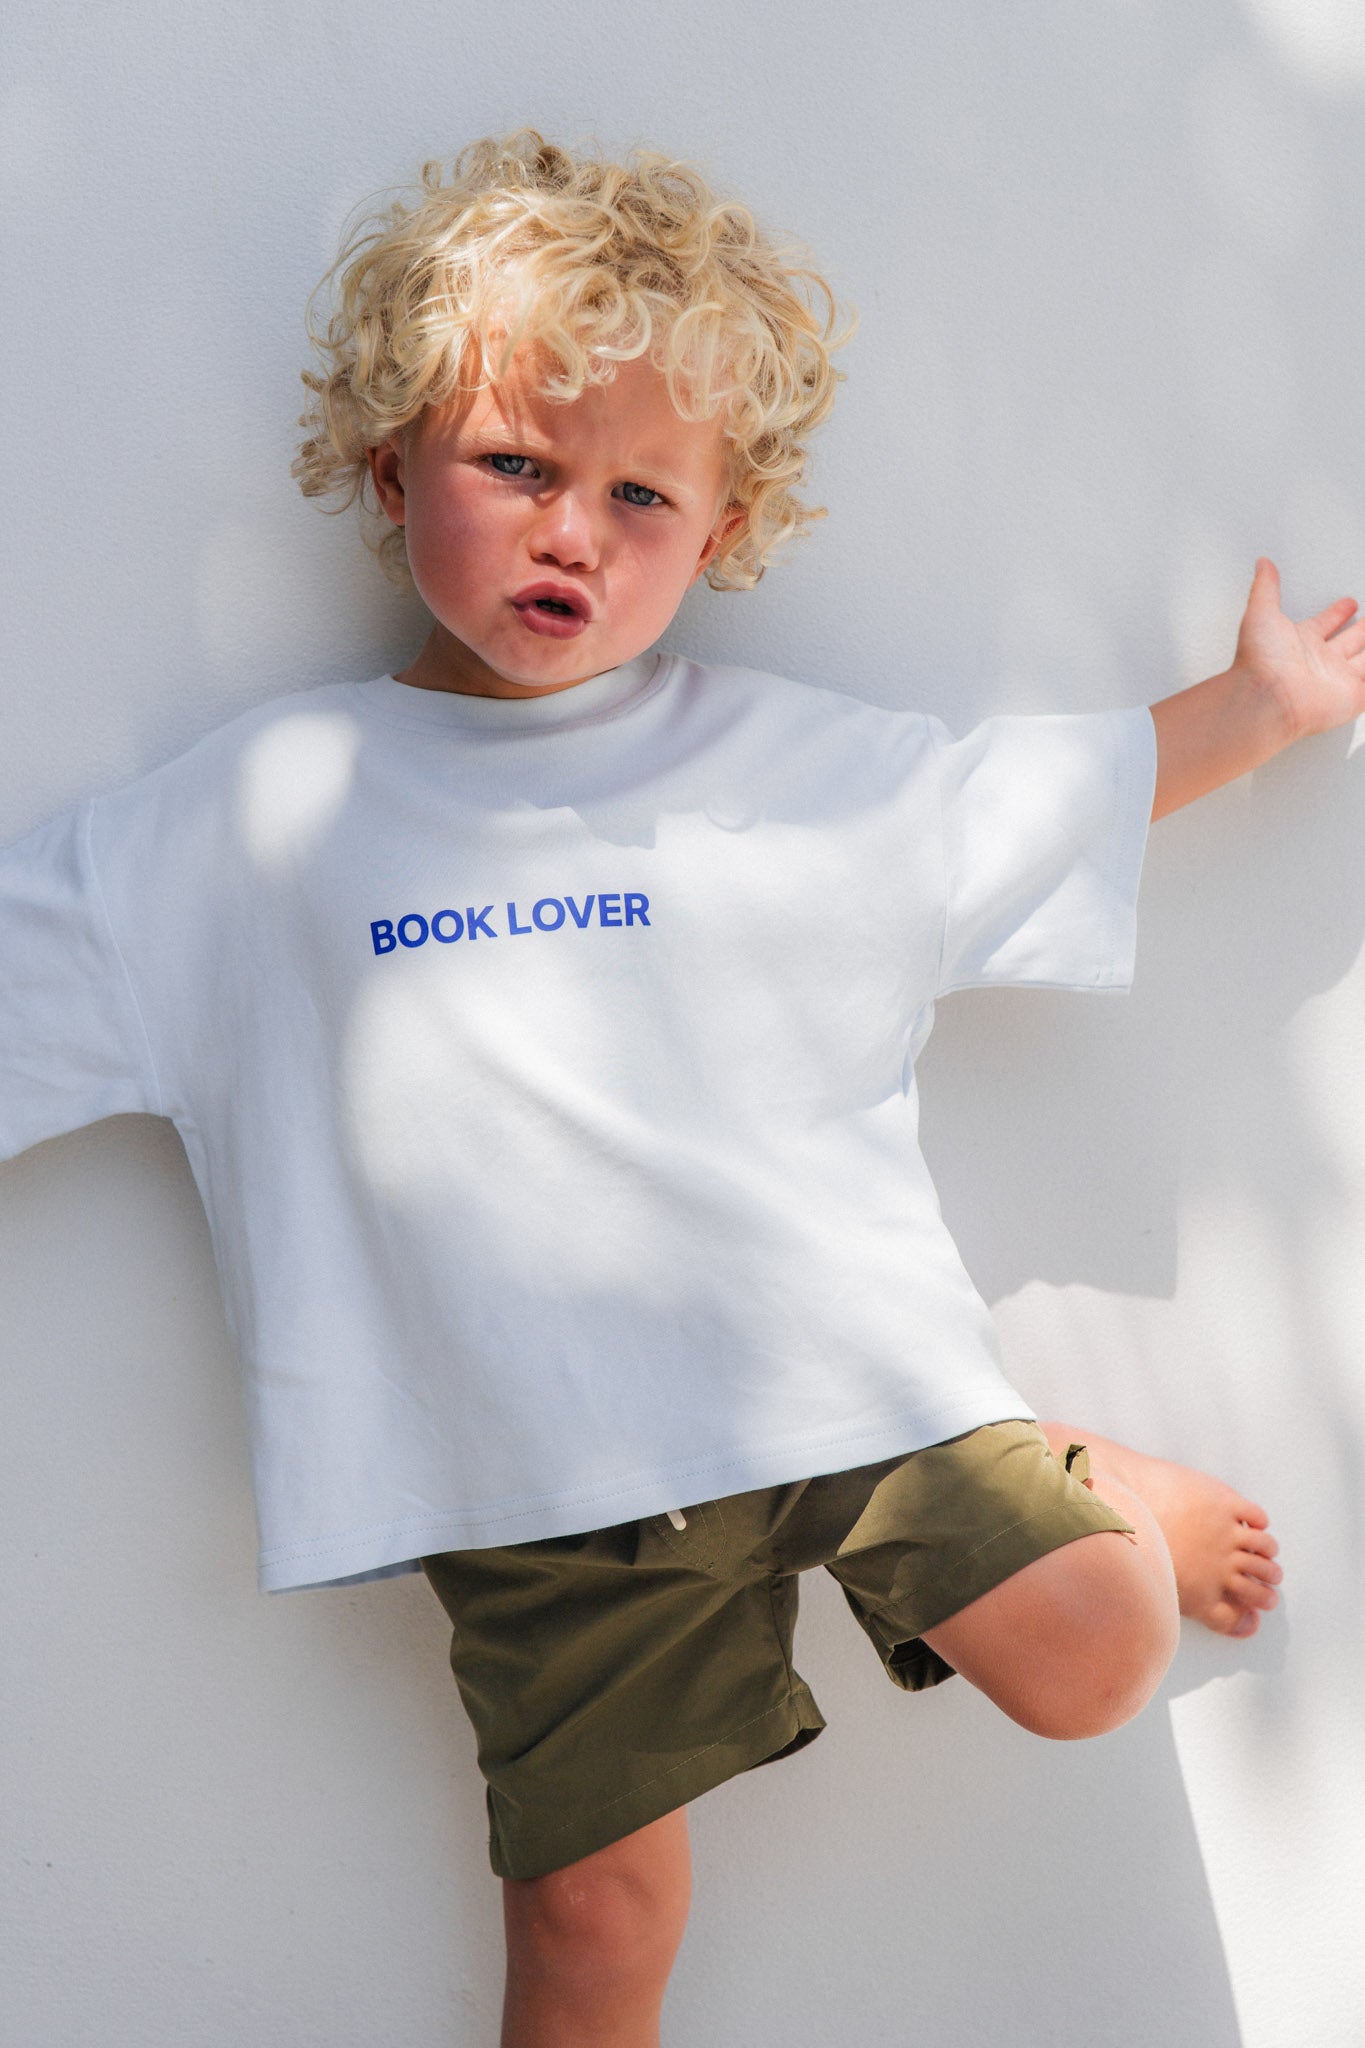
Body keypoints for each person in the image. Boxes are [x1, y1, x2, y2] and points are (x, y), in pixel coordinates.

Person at [4, 130, 1358, 2048]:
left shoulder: (780, 766)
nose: (574, 529)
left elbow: (1010, 812)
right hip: (530, 1488)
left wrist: (1251, 713)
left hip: (847, 1387)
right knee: (593, 1925)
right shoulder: (251, 820)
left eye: (641, 493)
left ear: (719, 536)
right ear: (390, 470)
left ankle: (1079, 1474)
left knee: (1094, 1649)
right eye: (515, 467)